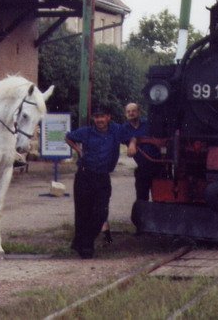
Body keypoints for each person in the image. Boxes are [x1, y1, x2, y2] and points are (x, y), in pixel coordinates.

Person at [65, 105, 123, 259]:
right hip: (84, 176)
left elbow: (131, 133)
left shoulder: (116, 130)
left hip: (103, 177)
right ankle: (86, 247)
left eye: (102, 117)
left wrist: (132, 143)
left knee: (101, 212)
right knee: (83, 213)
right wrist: (78, 150)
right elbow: (68, 137)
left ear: (108, 117)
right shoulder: (86, 132)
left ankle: (81, 242)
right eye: (97, 117)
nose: (99, 120)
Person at [122, 102, 159, 202]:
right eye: (128, 111)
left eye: (133, 111)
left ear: (139, 112)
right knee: (142, 197)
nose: (131, 113)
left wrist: (134, 140)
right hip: (143, 167)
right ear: (125, 114)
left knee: (160, 197)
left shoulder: (149, 124)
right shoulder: (124, 129)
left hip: (158, 165)